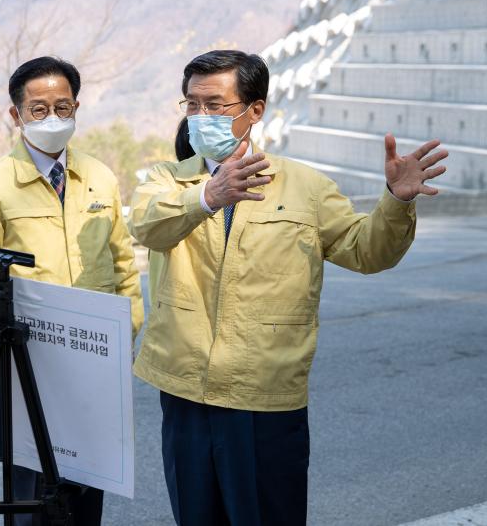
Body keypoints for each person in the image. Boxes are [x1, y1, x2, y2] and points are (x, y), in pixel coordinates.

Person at [129, 50, 448, 526]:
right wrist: (206, 197)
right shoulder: (166, 181)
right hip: (186, 391)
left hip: (266, 395)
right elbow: (147, 228)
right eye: (191, 105)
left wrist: (395, 202)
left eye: (215, 105)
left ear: (254, 111)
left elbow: (367, 251)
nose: (200, 116)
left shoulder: (306, 188)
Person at [0, 56, 143, 525]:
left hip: (93, 363)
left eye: (63, 106)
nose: (53, 118)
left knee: (85, 497)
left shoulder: (99, 177)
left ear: (77, 107)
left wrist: (126, 328)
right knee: (33, 499)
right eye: (39, 109)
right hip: (27, 368)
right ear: (16, 115)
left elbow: (122, 263)